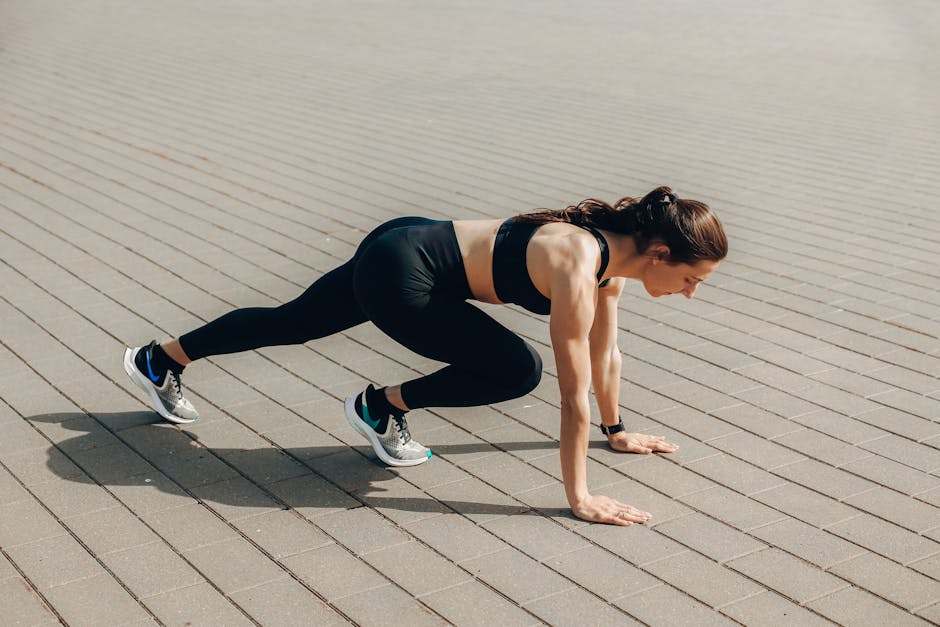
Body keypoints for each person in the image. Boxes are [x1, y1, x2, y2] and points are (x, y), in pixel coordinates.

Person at [123, 186, 727, 526]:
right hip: (405, 273)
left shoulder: (612, 262)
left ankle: (162, 358)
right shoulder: (579, 265)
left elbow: (607, 352)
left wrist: (618, 430)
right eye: (692, 278)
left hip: (406, 236)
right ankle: (380, 406)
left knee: (294, 322)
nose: (691, 292)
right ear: (659, 253)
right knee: (519, 371)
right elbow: (571, 394)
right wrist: (580, 498)